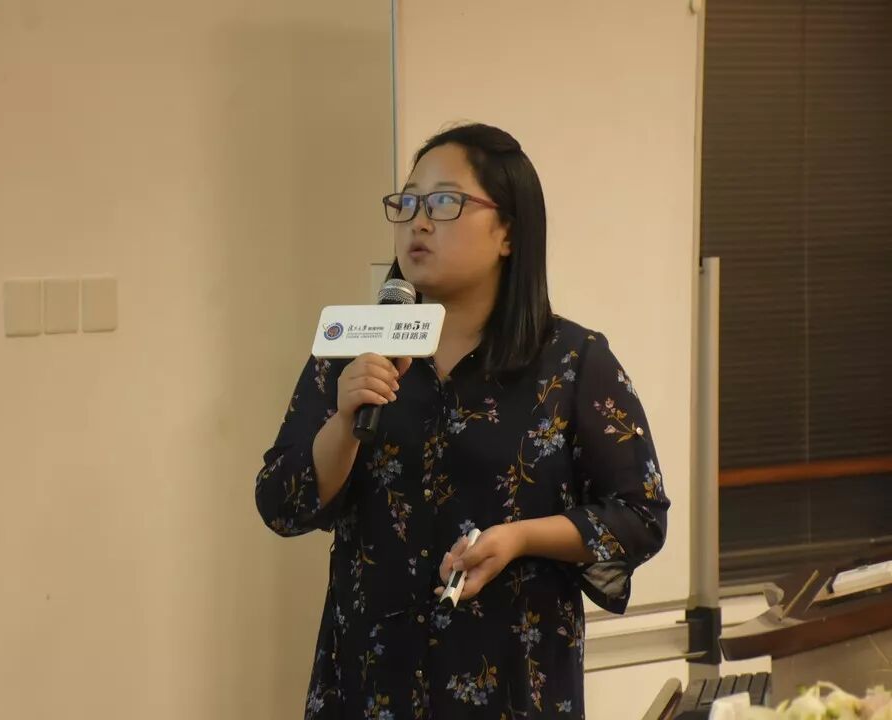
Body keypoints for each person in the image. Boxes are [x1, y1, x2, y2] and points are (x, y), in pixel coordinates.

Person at [255, 123, 670, 719]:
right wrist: (345, 422)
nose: (419, 223)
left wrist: (520, 537)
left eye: (445, 202)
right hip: (371, 686)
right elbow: (280, 503)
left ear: (509, 232)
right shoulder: (354, 347)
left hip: (512, 686)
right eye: (408, 203)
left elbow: (639, 515)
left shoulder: (572, 360)